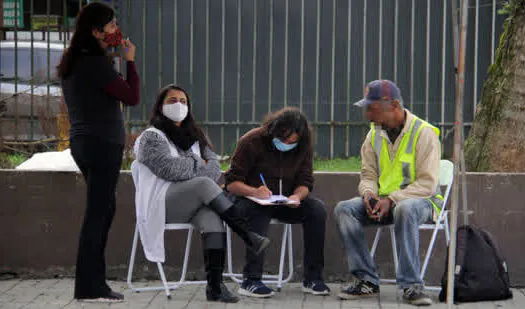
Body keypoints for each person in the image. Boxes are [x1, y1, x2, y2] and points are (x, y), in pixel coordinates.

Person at [133, 84, 270, 303]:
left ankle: (215, 287)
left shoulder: (195, 134)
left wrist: (192, 165)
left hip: (192, 201)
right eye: (172, 101)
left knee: (213, 218)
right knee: (202, 184)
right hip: (161, 203)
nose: (178, 105)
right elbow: (169, 170)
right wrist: (198, 161)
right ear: (160, 106)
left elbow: (215, 169)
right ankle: (247, 234)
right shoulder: (151, 137)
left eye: (183, 101)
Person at [57, 2, 140, 302]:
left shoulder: (74, 60)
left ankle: (92, 283)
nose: (116, 31)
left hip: (83, 141)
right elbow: (131, 96)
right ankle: (90, 286)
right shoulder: (94, 63)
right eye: (111, 26)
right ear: (95, 31)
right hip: (102, 143)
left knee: (105, 209)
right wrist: (130, 62)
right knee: (98, 213)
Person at [334, 80, 442, 306]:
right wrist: (369, 195)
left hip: (422, 203)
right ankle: (366, 280)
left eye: (372, 108)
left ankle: (412, 286)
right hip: (384, 202)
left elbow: (428, 183)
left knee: (405, 208)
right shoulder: (374, 135)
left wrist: (392, 199)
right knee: (344, 209)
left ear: (393, 105)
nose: (367, 114)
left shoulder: (424, 133)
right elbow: (368, 175)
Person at [225, 107, 329, 298]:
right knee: (258, 212)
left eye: (292, 141)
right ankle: (251, 280)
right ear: (273, 130)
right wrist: (254, 191)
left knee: (317, 210)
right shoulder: (251, 141)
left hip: (282, 202)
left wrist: (297, 196)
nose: (287, 144)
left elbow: (305, 182)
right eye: (283, 139)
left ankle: (313, 278)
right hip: (247, 201)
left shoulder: (303, 147)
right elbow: (231, 183)